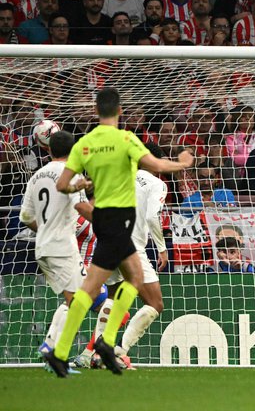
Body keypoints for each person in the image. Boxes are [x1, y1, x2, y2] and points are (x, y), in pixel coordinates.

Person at [43, 87, 194, 377]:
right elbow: (157, 165)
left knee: (131, 280)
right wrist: (185, 162)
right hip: (118, 222)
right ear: (120, 110)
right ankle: (71, 349)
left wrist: (82, 186)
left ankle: (102, 345)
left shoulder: (84, 144)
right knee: (96, 290)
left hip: (102, 221)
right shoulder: (126, 139)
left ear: (96, 110)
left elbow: (63, 185)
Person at [18, 131, 99, 373]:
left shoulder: (36, 176)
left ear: (48, 150)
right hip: (62, 246)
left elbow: (25, 216)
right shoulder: (70, 174)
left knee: (78, 298)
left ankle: (52, 348)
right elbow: (83, 208)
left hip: (42, 246)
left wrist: (45, 228)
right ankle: (52, 350)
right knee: (79, 299)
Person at [103, 142, 169, 365]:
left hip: (108, 242)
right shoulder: (157, 184)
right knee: (155, 303)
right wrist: (162, 247)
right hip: (130, 247)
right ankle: (120, 351)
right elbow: (152, 217)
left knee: (112, 299)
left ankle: (95, 351)